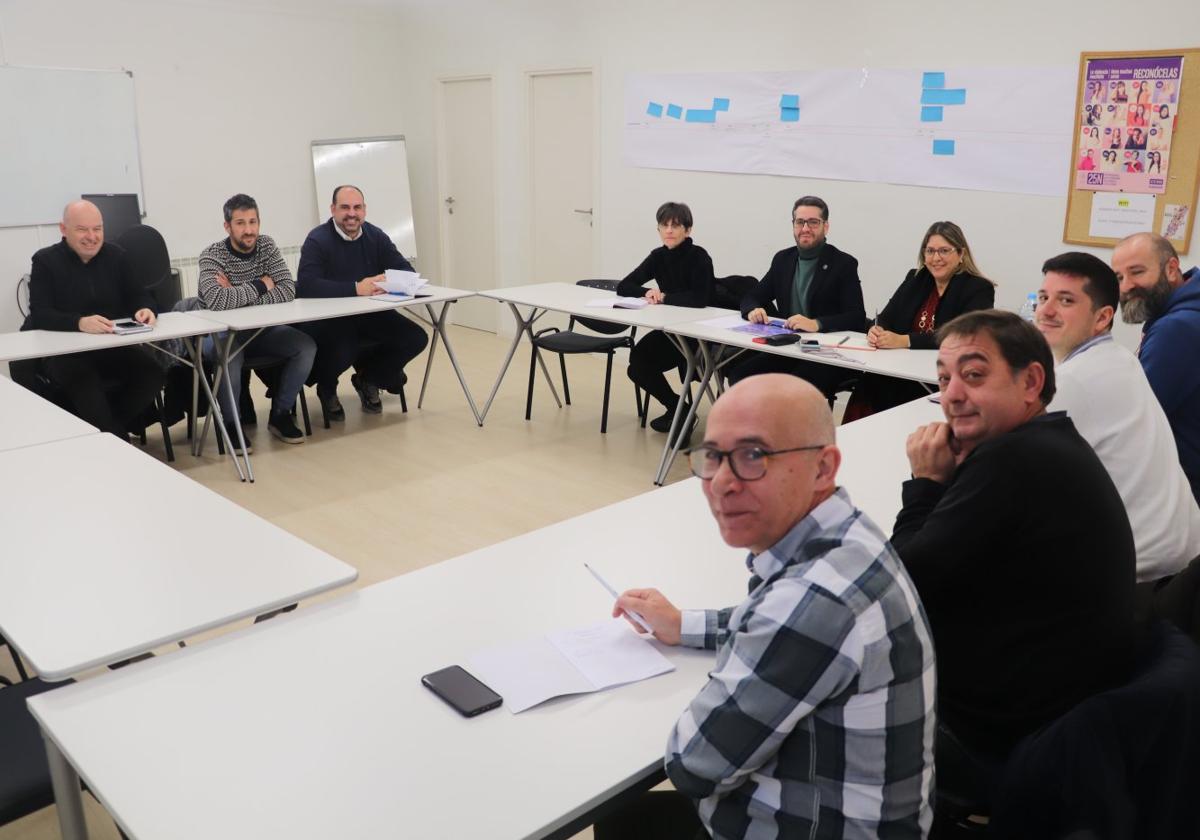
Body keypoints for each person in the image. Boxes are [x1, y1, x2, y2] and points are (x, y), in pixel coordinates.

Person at [596, 374, 935, 840]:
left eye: (754, 456)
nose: (721, 483)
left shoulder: (813, 603)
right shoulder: (847, 535)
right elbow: (773, 619)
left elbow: (694, 766)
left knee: (622, 823)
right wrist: (683, 625)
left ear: (823, 467)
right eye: (712, 456)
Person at [891, 310, 1135, 805]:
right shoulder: (1048, 441)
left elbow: (897, 586)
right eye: (943, 378)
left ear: (1031, 382)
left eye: (974, 375)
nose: (952, 394)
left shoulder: (1012, 461)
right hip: (1062, 715)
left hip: (999, 740)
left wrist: (923, 485)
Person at [1036, 252, 1200, 585]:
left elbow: (1006, 464)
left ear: (1102, 318)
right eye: (1043, 297)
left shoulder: (1075, 381)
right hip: (1181, 560)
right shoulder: (1119, 357)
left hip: (1142, 575)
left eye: (1065, 300)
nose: (1046, 310)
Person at [24, 200, 164, 439]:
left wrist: (146, 308)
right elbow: (40, 313)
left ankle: (104, 432)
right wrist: (79, 322)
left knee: (153, 371)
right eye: (82, 229)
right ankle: (113, 438)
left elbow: (139, 295)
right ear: (63, 229)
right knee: (84, 382)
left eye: (97, 229)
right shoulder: (45, 261)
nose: (92, 236)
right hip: (66, 353)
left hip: (110, 346)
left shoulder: (117, 256)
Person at [296, 184, 428, 419]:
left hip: (371, 314)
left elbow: (406, 270)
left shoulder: (375, 235)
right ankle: (327, 387)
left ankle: (369, 378)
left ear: (364, 210)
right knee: (345, 347)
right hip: (332, 319)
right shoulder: (318, 239)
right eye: (345, 207)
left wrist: (388, 280)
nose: (352, 213)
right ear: (333, 210)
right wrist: (356, 288)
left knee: (416, 337)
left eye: (357, 207)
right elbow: (306, 285)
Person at [196, 194, 315, 448]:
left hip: (259, 332)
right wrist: (262, 283)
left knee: (305, 346)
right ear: (227, 226)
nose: (249, 230)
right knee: (230, 355)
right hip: (219, 336)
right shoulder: (212, 256)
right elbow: (217, 301)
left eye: (253, 222)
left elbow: (287, 290)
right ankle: (232, 424)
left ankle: (280, 415)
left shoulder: (266, 246)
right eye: (240, 223)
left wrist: (237, 293)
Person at [847, 221, 993, 418]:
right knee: (870, 381)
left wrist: (904, 340)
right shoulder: (916, 278)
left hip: (942, 377)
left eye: (944, 251)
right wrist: (877, 329)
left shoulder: (978, 288)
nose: (936, 258)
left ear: (961, 255)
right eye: (930, 251)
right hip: (900, 369)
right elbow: (886, 317)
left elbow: (963, 336)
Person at [728, 196, 865, 396]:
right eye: (800, 222)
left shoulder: (843, 264)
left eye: (813, 222)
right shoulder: (783, 259)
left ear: (825, 227)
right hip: (789, 348)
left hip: (826, 354)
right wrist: (752, 310)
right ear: (793, 225)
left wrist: (816, 323)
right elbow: (753, 295)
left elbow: (857, 316)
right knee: (741, 377)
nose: (805, 228)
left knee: (792, 392)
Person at [1113, 232, 1200, 502]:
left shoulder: (1177, 327)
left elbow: (1140, 415)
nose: (1126, 286)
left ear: (1171, 268)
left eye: (1137, 272)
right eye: (1119, 277)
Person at [616, 202, 714, 433]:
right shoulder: (658, 256)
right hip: (669, 330)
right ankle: (680, 409)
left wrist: (665, 297)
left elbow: (701, 299)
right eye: (664, 225)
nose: (669, 230)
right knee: (637, 365)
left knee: (640, 364)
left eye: (676, 226)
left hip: (696, 333)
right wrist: (646, 292)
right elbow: (624, 285)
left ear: (687, 230)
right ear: (658, 229)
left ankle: (679, 414)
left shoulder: (699, 257)